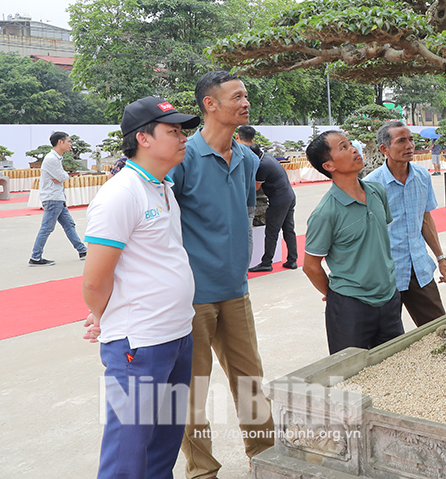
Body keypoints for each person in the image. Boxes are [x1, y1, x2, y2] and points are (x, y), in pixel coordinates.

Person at [81, 96, 201, 479]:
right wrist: (105, 316)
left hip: (177, 334)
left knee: (164, 443)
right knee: (128, 452)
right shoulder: (121, 194)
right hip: (140, 343)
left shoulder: (162, 187)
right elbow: (95, 279)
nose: (183, 138)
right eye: (173, 131)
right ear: (143, 139)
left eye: (183, 131)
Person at [168, 71, 273, 479]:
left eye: (246, 95)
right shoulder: (183, 158)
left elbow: (246, 215)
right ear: (209, 104)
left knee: (250, 379)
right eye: (236, 96)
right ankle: (202, 469)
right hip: (191, 296)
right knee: (192, 391)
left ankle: (263, 456)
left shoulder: (248, 159)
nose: (245, 102)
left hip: (235, 290)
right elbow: (165, 225)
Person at [303, 130, 403, 353]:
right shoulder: (325, 213)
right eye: (344, 147)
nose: (354, 149)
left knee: (395, 369)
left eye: (350, 144)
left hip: (389, 298)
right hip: (351, 307)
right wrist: (337, 296)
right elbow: (310, 266)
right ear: (329, 166)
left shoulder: (377, 192)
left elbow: (377, 241)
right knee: (349, 377)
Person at [363, 121, 446, 327]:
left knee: (439, 328)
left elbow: (425, 219)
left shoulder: (422, 177)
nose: (409, 146)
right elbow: (363, 233)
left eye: (411, 140)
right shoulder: (371, 185)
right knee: (387, 338)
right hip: (384, 273)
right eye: (401, 141)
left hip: (419, 269)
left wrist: (441, 258)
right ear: (384, 149)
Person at [237, 126, 298, 272]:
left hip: (279, 200)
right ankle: (292, 260)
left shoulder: (262, 165)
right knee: (288, 229)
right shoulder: (268, 157)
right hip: (290, 195)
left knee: (272, 231)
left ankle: (266, 262)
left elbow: (256, 188)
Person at [29, 131, 87, 266]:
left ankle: (82, 250)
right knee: (47, 228)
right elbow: (62, 177)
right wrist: (63, 175)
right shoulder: (52, 159)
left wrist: (62, 176)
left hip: (58, 198)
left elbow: (60, 177)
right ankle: (35, 257)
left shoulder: (56, 158)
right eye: (68, 141)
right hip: (53, 198)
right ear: (60, 142)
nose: (70, 144)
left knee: (69, 225)